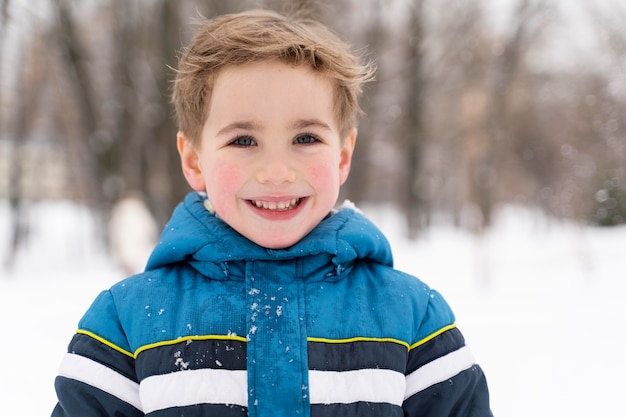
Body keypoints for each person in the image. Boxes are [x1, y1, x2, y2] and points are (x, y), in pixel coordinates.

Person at [52, 9, 492, 417]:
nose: (277, 172)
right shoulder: (125, 322)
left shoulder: (412, 318)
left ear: (343, 156)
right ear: (194, 160)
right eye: (243, 140)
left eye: (305, 139)